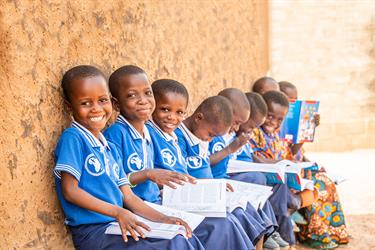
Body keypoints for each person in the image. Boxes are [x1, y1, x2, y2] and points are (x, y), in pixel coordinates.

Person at [103, 68, 252, 250]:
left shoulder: (146, 134)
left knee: (226, 219)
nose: (143, 100)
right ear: (116, 104)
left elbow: (168, 175)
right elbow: (117, 184)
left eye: (147, 93)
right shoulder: (116, 134)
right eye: (133, 95)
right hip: (143, 206)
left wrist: (205, 186)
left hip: (159, 202)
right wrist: (148, 175)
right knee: (210, 228)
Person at [54, 65, 198, 250]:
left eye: (102, 100)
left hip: (117, 223)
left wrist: (164, 219)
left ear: (111, 103)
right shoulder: (73, 138)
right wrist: (118, 212)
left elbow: (128, 197)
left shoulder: (109, 148)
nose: (97, 109)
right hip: (94, 231)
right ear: (69, 106)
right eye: (86, 103)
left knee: (179, 236)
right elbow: (70, 191)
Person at [173, 94, 270, 249]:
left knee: (244, 207)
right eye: (210, 135)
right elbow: (184, 176)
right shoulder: (178, 136)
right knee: (228, 220)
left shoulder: (203, 136)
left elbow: (203, 168)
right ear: (198, 118)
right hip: (193, 196)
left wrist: (215, 185)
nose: (210, 139)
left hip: (208, 192)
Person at [279, 81, 349, 249]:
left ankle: (333, 232)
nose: (292, 103)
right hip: (285, 172)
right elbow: (283, 157)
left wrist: (308, 128)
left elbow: (294, 152)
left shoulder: (286, 122)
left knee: (326, 182)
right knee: (318, 185)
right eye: (289, 100)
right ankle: (313, 234)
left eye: (295, 100)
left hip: (296, 167)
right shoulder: (275, 123)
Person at [249, 91, 319, 248]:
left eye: (279, 119)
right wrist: (282, 162)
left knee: (312, 188)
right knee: (282, 195)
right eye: (270, 116)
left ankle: (290, 236)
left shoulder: (274, 136)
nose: (273, 122)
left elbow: (290, 154)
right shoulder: (254, 133)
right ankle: (289, 239)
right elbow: (256, 159)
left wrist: (307, 130)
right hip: (269, 181)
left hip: (283, 180)